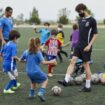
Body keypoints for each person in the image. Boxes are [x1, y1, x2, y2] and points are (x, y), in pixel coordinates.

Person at [58, 3, 98, 92]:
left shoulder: (92, 20)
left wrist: (89, 45)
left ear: (84, 9)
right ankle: (66, 80)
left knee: (86, 65)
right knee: (72, 61)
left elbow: (95, 34)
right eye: (78, 12)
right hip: (78, 46)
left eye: (79, 11)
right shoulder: (80, 20)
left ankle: (88, 86)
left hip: (86, 46)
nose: (79, 13)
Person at [20, 37, 57, 102]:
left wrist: (27, 61)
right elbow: (43, 62)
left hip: (28, 71)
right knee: (45, 79)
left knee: (33, 81)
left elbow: (20, 60)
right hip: (36, 71)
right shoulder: (38, 52)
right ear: (38, 44)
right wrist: (52, 61)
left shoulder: (26, 52)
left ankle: (31, 94)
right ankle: (41, 92)